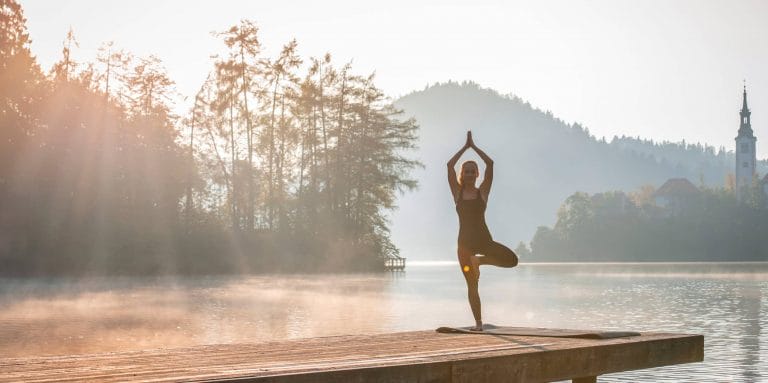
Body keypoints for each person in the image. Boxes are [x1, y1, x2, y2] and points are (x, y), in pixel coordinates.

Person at [447, 131, 518, 331]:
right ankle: (478, 324)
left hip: (484, 240)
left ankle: (480, 261)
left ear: (477, 174)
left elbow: (491, 165)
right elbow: (449, 166)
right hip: (464, 246)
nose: (469, 174)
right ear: (463, 174)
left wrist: (474, 147)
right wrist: (464, 147)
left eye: (472, 171)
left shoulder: (483, 192)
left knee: (512, 260)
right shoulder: (457, 193)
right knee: (472, 285)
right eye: (466, 171)